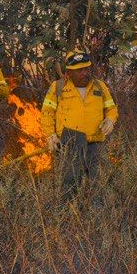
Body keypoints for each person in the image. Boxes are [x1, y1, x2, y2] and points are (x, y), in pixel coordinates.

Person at [41, 50, 118, 184]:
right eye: (80, 70)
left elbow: (111, 108)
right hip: (70, 146)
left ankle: (96, 206)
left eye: (87, 69)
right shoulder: (58, 87)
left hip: (95, 145)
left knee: (99, 184)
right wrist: (50, 135)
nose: (85, 73)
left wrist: (110, 119)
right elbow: (47, 112)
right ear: (69, 72)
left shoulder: (100, 86)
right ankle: (69, 206)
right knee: (69, 185)